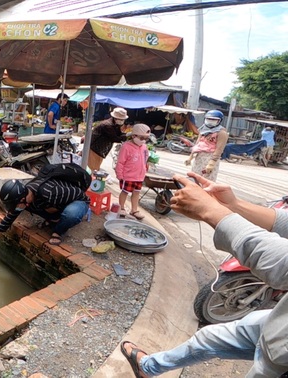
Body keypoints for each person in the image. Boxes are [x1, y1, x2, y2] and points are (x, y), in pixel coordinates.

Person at [121, 171, 288, 377]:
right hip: (281, 318)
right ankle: (148, 367)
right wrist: (233, 205)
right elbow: (283, 222)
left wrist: (211, 210)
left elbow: (282, 264)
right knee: (209, 337)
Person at [0, 174, 90, 247]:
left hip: (78, 200)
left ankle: (58, 230)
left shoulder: (48, 192)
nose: (16, 208)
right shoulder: (25, 197)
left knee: (71, 215)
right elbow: (8, 219)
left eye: (16, 205)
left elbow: (78, 194)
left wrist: (54, 210)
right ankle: (54, 218)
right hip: (50, 203)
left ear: (22, 199)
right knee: (37, 206)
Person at [114, 123, 151, 220]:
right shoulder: (126, 146)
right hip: (128, 175)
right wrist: (119, 174)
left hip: (139, 175)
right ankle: (121, 207)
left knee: (136, 193)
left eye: (146, 138)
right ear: (134, 136)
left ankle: (134, 210)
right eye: (142, 138)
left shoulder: (144, 147)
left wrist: (146, 166)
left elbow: (145, 158)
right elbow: (121, 162)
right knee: (125, 192)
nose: (143, 140)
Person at [185, 109, 229, 181]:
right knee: (194, 177)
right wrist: (190, 157)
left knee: (206, 179)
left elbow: (219, 149)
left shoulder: (221, 133)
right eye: (208, 119)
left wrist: (212, 163)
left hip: (210, 157)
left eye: (213, 120)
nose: (210, 121)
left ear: (219, 121)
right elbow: (198, 144)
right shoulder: (203, 130)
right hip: (199, 157)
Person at [88, 107, 129, 171]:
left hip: (101, 149)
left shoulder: (115, 125)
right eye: (120, 119)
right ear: (115, 118)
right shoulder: (107, 125)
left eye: (123, 119)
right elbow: (115, 138)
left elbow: (119, 134)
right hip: (95, 149)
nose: (122, 121)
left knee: (96, 168)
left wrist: (127, 135)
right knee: (93, 169)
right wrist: (127, 136)